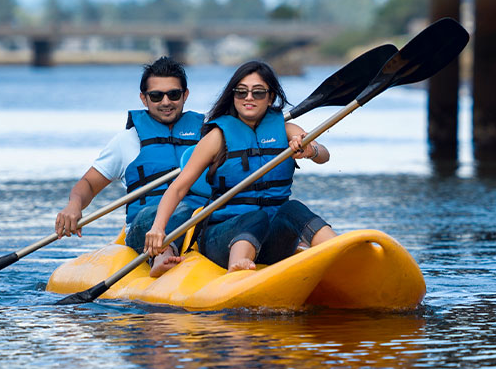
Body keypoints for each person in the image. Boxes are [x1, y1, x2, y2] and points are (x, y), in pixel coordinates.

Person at [144, 60, 336, 272]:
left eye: (258, 92)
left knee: (293, 208)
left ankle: (340, 250)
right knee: (255, 217)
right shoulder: (217, 137)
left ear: (271, 96)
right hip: (223, 237)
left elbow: (323, 155)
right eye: (241, 92)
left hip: (272, 238)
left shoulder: (287, 129)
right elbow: (178, 188)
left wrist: (311, 150)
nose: (249, 98)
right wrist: (158, 228)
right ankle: (238, 267)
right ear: (233, 96)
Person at [54, 56, 209, 277]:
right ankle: (161, 254)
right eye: (156, 96)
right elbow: (88, 183)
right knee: (176, 210)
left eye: (173, 94)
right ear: (144, 99)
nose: (166, 102)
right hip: (145, 228)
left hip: (199, 220)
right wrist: (74, 205)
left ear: (185, 95)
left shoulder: (207, 136)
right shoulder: (126, 141)